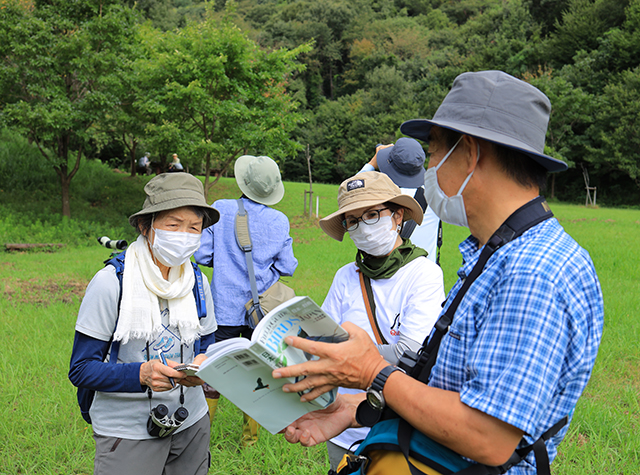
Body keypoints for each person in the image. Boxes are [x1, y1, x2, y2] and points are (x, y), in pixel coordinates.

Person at [273, 71, 604, 474]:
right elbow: (448, 388)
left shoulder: (534, 271)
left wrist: (372, 373)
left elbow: (489, 436)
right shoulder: (494, 255)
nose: (428, 171)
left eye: (433, 155)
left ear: (469, 152)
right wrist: (353, 408)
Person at [69, 173, 219, 475]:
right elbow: (81, 368)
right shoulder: (111, 283)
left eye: (194, 228)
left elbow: (208, 343)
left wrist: (205, 364)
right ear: (145, 226)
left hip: (191, 422)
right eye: (173, 225)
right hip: (128, 433)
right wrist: (141, 374)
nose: (184, 236)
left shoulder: (197, 282)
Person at [319, 171, 445, 471]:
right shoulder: (346, 276)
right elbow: (320, 338)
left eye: (373, 214)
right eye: (353, 220)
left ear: (397, 215)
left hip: (393, 423)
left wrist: (344, 352)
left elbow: (409, 353)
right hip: (342, 423)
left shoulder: (423, 274)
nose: (363, 227)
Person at [194, 154, 298, 447]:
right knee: (257, 374)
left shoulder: (221, 209)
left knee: (211, 371)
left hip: (223, 308)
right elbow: (288, 266)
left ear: (243, 181)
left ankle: (200, 438)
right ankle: (249, 441)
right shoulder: (279, 220)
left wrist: (227, 265)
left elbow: (201, 255)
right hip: (260, 312)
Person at [360, 138, 441, 264]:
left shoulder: (378, 195)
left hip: (386, 275)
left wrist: (372, 162)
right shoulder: (435, 194)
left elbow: (349, 193)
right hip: (425, 275)